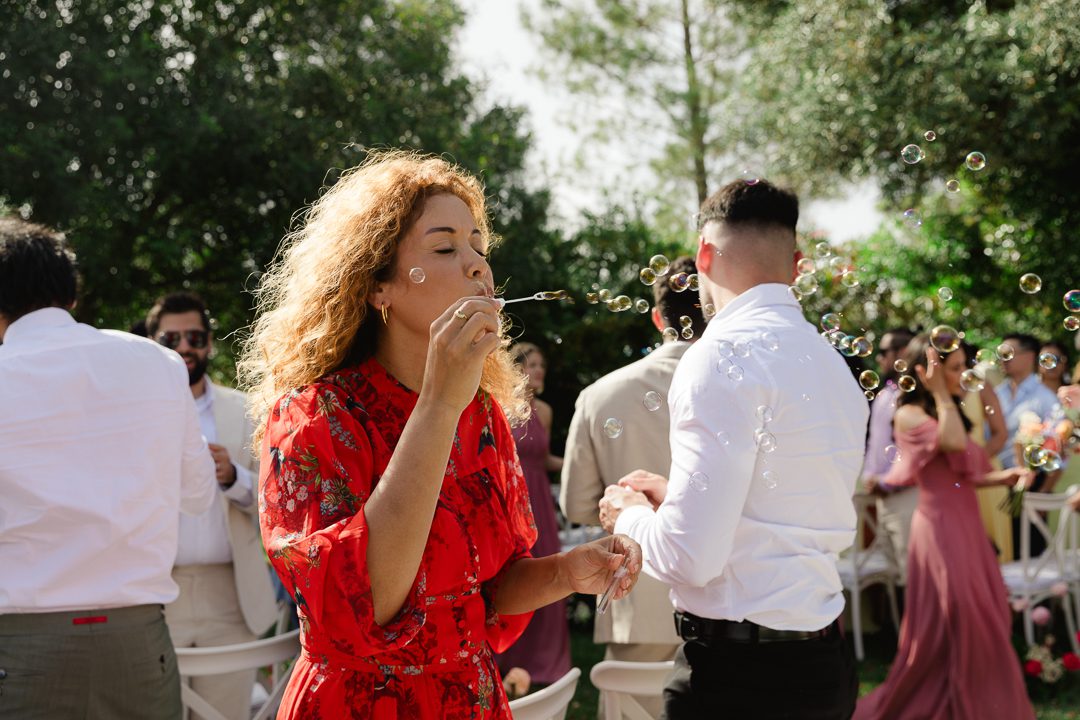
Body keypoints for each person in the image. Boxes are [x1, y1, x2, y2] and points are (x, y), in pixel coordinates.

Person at [239, 150, 641, 718]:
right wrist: (440, 404)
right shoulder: (314, 417)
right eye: (446, 248)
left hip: (469, 699)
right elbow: (367, 605)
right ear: (378, 285)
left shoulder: (482, 416)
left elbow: (490, 592)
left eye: (479, 247)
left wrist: (565, 572)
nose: (477, 266)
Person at [599, 180, 868, 720]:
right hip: (824, 667)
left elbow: (688, 559)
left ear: (704, 255)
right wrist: (677, 496)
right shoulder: (833, 364)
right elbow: (783, 505)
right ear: (796, 265)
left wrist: (628, 515)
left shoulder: (717, 355)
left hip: (739, 678)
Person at [0, 217, 216, 719]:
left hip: (23, 644)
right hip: (136, 640)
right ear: (71, 297)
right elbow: (199, 495)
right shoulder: (159, 364)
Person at [853, 335, 1036, 720]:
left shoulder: (946, 410)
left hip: (966, 524)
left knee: (985, 612)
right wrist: (939, 392)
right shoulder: (909, 414)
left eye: (963, 367)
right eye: (954, 369)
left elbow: (959, 477)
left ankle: (984, 702)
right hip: (938, 529)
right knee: (956, 615)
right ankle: (949, 699)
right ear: (925, 372)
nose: (963, 375)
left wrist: (1002, 477)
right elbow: (952, 444)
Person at [559, 255, 701, 716]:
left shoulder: (600, 395)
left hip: (636, 598)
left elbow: (576, 504)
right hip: (724, 601)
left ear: (658, 318)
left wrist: (626, 507)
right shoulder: (745, 387)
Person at [146, 292, 278, 720]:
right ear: (153, 343)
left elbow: (278, 499)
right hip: (157, 593)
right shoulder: (136, 412)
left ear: (209, 344)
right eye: (171, 339)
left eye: (195, 337)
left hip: (231, 592)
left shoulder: (244, 409)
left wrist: (232, 477)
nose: (184, 347)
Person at [494, 342, 571, 685]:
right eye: (531, 364)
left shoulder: (546, 411)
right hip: (510, 500)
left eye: (541, 365)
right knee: (515, 575)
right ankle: (506, 659)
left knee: (547, 576)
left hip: (539, 503)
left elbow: (544, 458)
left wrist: (577, 464)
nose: (538, 371)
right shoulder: (500, 405)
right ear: (516, 369)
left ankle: (542, 662)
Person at [861, 328, 916, 584]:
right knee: (895, 575)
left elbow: (910, 448)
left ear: (902, 353)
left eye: (884, 352)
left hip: (906, 493)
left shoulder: (912, 396)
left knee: (912, 573)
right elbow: (877, 442)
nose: (879, 358)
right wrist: (870, 476)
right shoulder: (885, 393)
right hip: (882, 495)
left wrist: (885, 480)